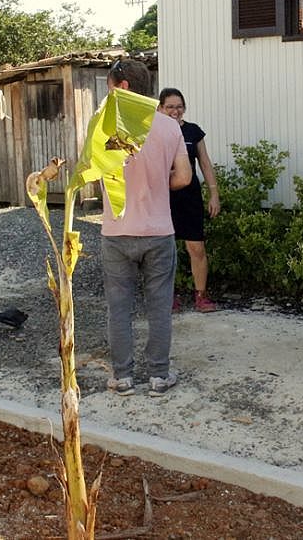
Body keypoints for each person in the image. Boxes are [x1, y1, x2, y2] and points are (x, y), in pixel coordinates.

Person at [102, 59, 193, 397]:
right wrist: (156, 182)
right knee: (159, 306)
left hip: (116, 232)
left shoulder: (104, 125)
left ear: (121, 87)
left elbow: (93, 173)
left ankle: (123, 377)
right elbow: (184, 177)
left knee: (119, 308)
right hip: (158, 231)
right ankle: (158, 376)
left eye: (109, 86)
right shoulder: (170, 127)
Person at [158, 88, 221, 313]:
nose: (175, 111)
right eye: (170, 107)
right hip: (163, 197)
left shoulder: (193, 132)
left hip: (190, 197)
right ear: (160, 108)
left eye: (179, 106)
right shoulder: (153, 132)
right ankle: (168, 297)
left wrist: (214, 194)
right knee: (165, 250)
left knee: (197, 248)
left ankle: (201, 296)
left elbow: (205, 163)